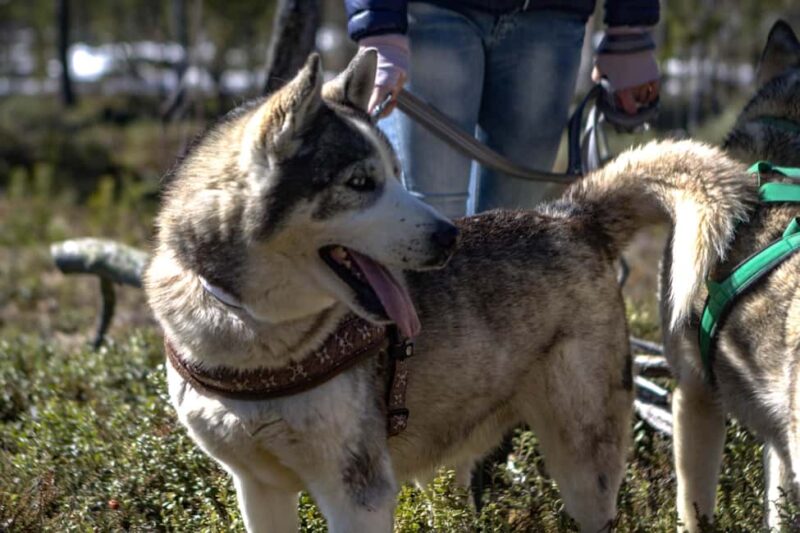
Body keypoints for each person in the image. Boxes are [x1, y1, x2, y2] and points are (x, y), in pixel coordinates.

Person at [343, 0, 661, 218]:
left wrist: (630, 28)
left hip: (550, 18)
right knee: (426, 218)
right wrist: (378, 28)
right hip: (432, 12)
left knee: (510, 228)